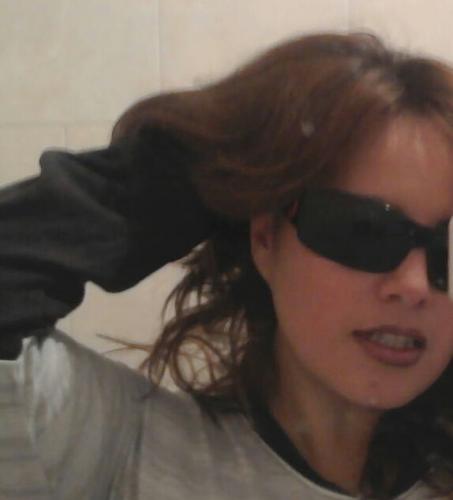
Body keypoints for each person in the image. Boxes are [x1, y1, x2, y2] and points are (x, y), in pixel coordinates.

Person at [1, 31, 453, 499]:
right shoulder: (121, 448)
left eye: (446, 248)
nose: (414, 284)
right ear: (266, 237)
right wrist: (209, 156)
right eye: (365, 230)